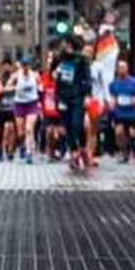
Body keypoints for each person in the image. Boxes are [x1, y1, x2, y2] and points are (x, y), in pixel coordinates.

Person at [50, 31, 95, 172]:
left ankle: (82, 147)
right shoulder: (58, 58)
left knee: (77, 123)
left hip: (77, 96)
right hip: (62, 96)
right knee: (67, 126)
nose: (64, 46)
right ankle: (74, 152)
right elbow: (52, 72)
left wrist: (87, 95)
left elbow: (87, 78)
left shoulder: (81, 59)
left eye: (66, 43)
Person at [108, 59, 135, 159]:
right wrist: (112, 105)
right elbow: (113, 96)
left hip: (132, 112)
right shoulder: (113, 84)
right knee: (119, 132)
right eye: (120, 68)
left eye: (124, 67)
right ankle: (123, 152)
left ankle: (132, 148)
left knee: (132, 133)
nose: (122, 70)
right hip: (119, 112)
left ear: (127, 69)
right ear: (117, 70)